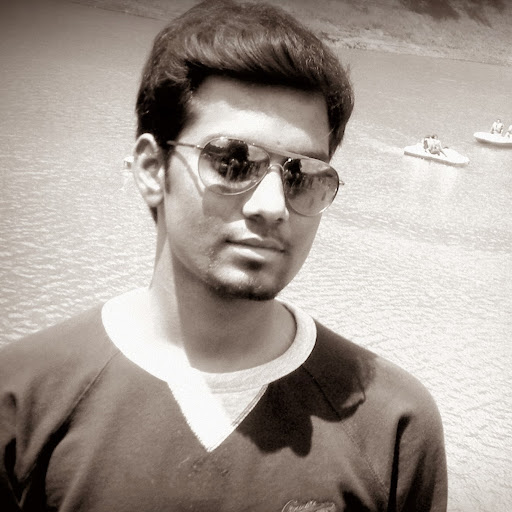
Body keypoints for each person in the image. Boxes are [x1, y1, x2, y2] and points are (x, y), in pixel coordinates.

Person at [0, 1, 447, 510]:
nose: (272, 206)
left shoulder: (393, 426)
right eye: (232, 161)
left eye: (302, 175)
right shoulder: (21, 404)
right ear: (151, 169)